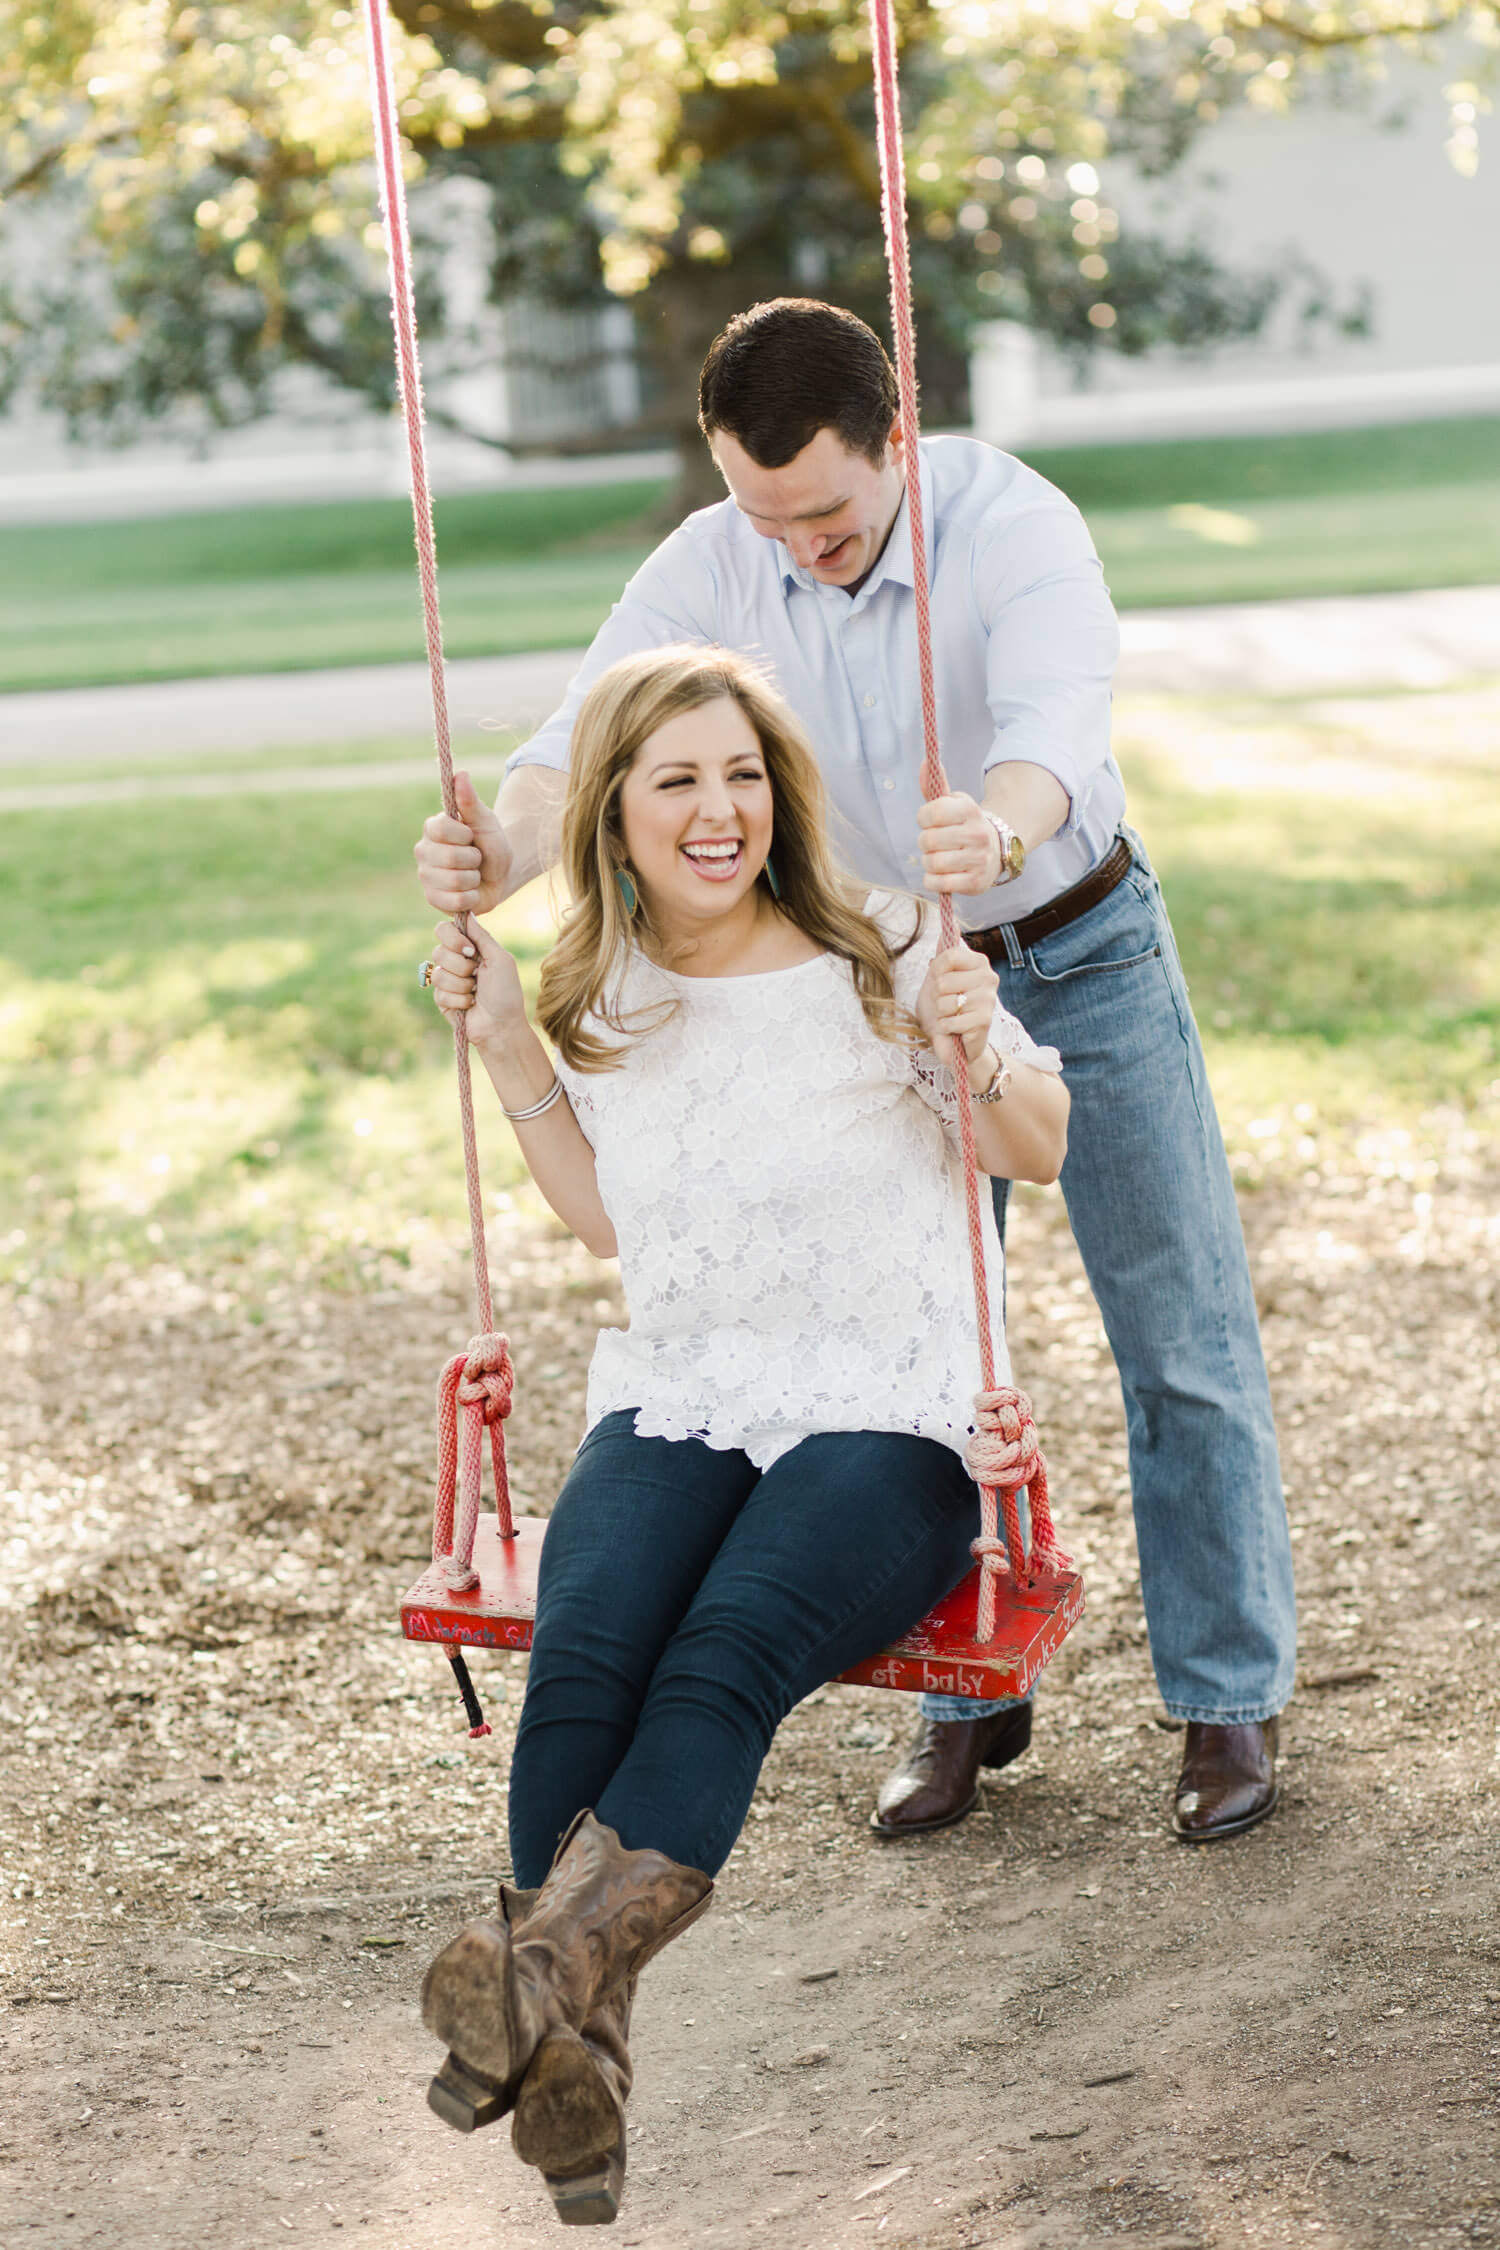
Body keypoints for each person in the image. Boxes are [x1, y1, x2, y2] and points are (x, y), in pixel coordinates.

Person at [415, 297, 1296, 1847]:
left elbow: (1056, 729)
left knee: (1178, 1328)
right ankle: (963, 1710)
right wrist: (503, 836)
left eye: (824, 511)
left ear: (896, 444)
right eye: (766, 515)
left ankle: (1225, 1692)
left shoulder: (1012, 521)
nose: (797, 544)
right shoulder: (722, 551)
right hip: (867, 980)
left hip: (1067, 938)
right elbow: (584, 731)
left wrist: (1002, 828)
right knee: (912, 1336)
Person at [417, 642, 1068, 2222]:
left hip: (888, 1411)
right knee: (584, 1650)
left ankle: (541, 1968)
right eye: (676, 781)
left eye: (742, 773)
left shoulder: (892, 952)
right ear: (615, 818)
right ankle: (581, 2036)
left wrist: (968, 1038)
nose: (720, 810)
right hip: (689, 1384)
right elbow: (601, 1220)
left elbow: (1036, 1148)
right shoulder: (606, 988)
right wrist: (509, 1040)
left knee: (723, 1654)